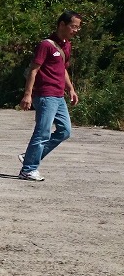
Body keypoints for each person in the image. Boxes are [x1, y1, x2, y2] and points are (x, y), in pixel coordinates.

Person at [17, 11, 82, 182]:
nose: (76, 30)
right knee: (43, 132)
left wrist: (71, 89)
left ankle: (30, 156)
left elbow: (63, 69)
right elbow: (33, 69)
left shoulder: (66, 45)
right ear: (62, 25)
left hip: (59, 95)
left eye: (78, 27)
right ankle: (28, 169)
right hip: (45, 95)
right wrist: (27, 95)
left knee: (65, 131)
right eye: (73, 26)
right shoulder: (46, 45)